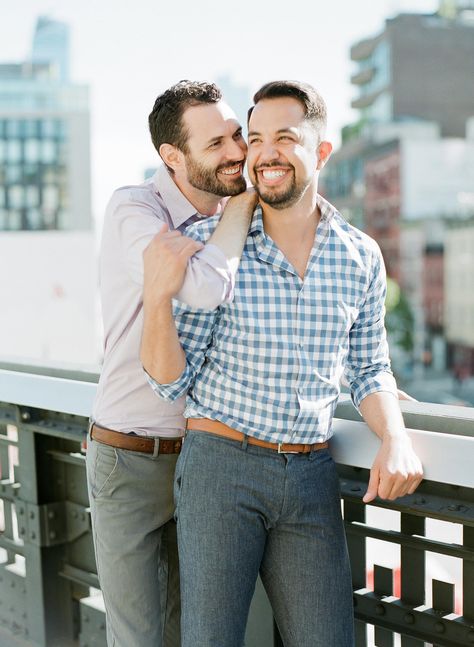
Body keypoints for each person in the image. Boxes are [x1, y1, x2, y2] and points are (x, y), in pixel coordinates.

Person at [142, 80, 424, 647]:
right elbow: (170, 380)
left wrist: (396, 439)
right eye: (257, 138)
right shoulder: (212, 244)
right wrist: (157, 300)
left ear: (321, 152)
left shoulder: (359, 255)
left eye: (285, 138)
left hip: (312, 474)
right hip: (221, 470)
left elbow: (369, 369)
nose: (264, 153)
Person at [86, 80, 256, 647]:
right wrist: (238, 214)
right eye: (217, 144)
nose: (237, 152)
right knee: (137, 639)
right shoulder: (135, 209)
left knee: (200, 635)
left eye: (237, 135)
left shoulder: (243, 217)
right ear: (172, 157)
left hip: (210, 462)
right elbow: (205, 288)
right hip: (128, 460)